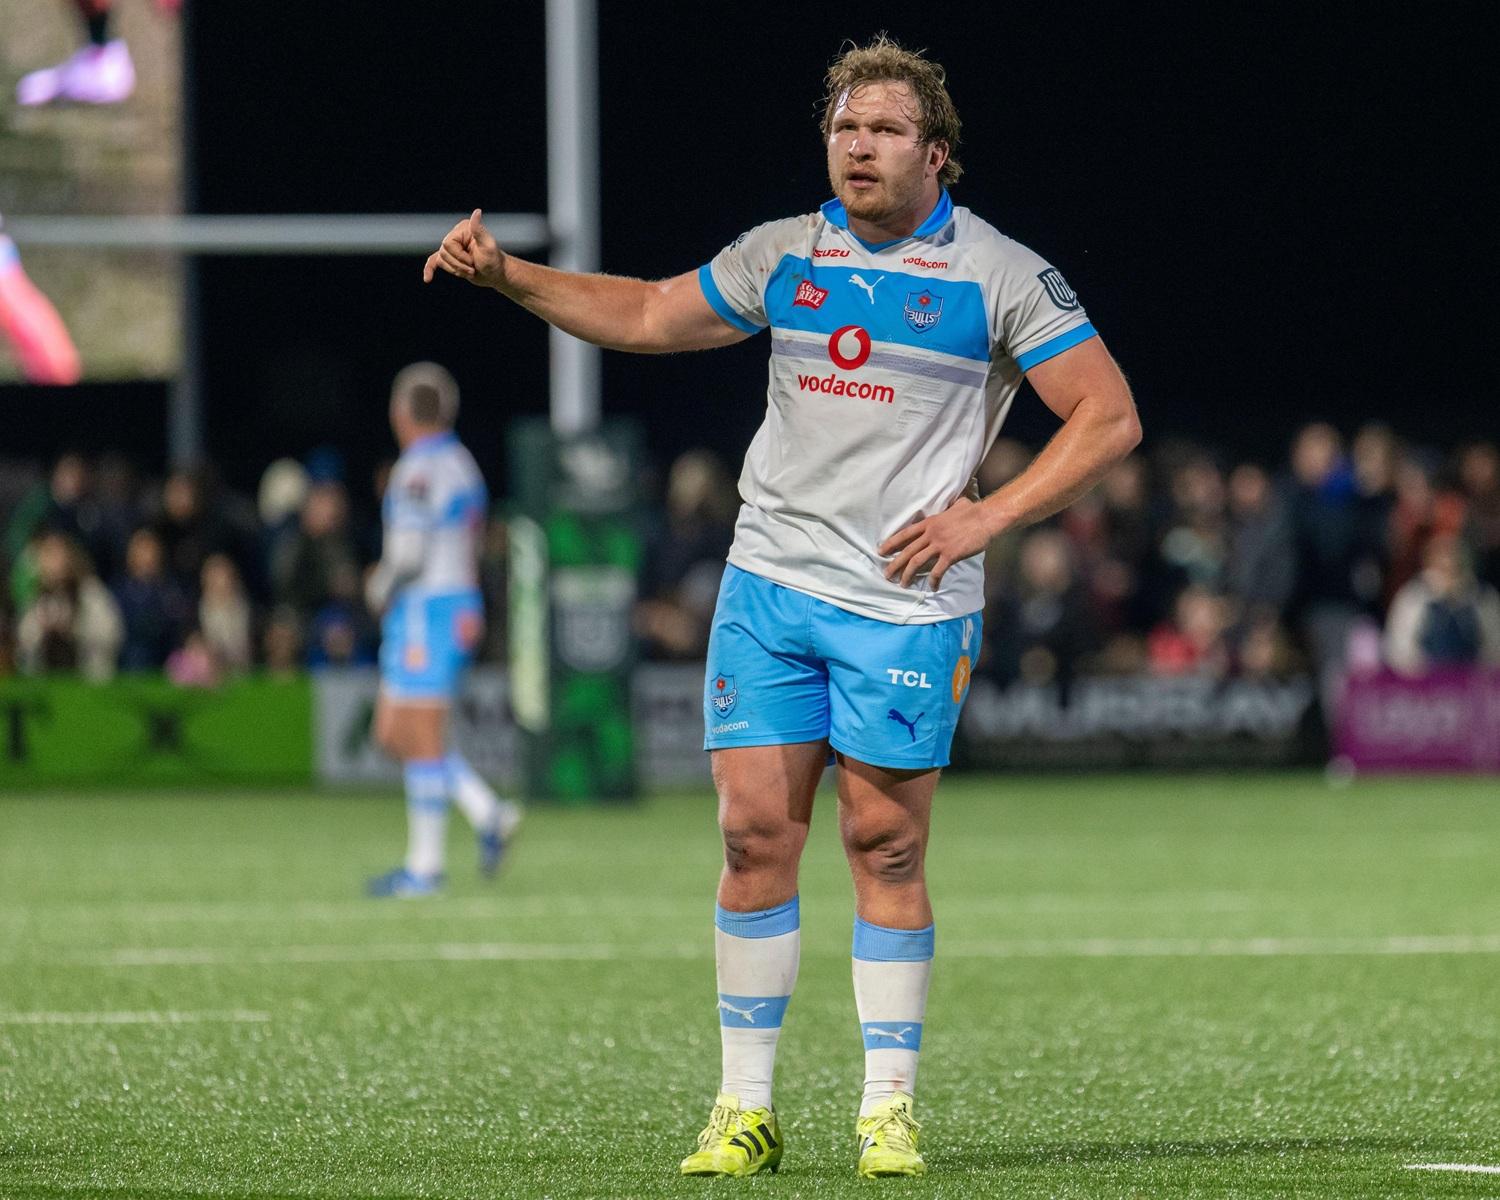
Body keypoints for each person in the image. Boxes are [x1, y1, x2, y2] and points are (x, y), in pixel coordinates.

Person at [423, 36, 1139, 1178]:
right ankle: (743, 1109)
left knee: (884, 845)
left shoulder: (999, 274)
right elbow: (650, 313)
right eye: (845, 127)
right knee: (753, 836)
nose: (859, 146)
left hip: (904, 602)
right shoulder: (785, 252)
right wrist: (511, 277)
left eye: (886, 129)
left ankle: (887, 1109)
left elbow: (1107, 415)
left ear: (937, 155)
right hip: (771, 585)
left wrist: (986, 520)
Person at [363, 362, 522, 897]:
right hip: (453, 604)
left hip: (426, 609)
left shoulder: (416, 470)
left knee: (421, 735)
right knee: (393, 733)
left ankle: (425, 868)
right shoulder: (462, 464)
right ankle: (487, 811)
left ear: (401, 413)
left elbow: (409, 553)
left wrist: (379, 587)